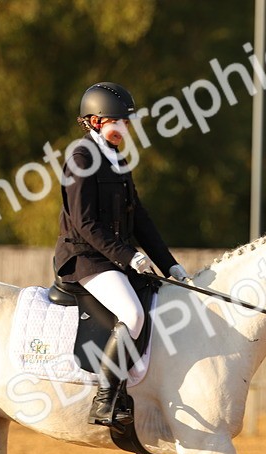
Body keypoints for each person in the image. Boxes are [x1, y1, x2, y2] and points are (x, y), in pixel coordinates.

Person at [53, 82, 189, 427]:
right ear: (96, 121)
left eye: (127, 122)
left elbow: (139, 217)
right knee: (132, 313)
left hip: (112, 258)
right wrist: (129, 256)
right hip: (84, 258)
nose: (125, 128)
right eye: (118, 121)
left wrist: (169, 264)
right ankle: (105, 399)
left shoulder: (118, 159)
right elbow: (84, 223)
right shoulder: (80, 158)